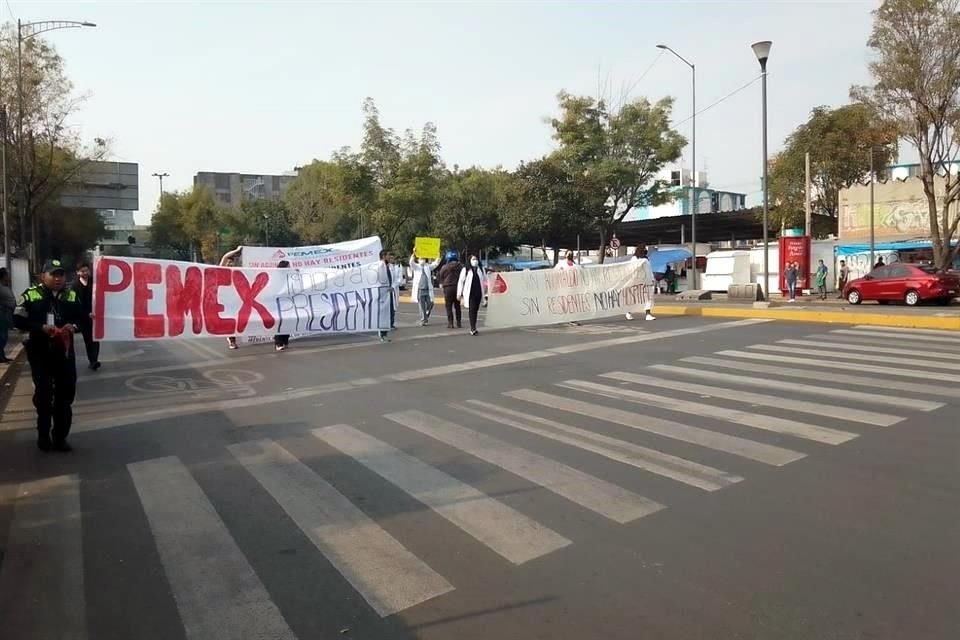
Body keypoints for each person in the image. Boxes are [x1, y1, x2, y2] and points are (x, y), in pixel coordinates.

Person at [14, 259, 83, 452]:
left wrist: (74, 326)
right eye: (53, 274)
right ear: (43, 276)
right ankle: (43, 435)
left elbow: (81, 318)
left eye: (61, 274)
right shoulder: (30, 295)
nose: (58, 278)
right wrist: (40, 328)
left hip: (64, 353)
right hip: (40, 352)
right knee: (43, 394)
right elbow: (18, 319)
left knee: (65, 394)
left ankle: (60, 437)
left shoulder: (71, 295)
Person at [71, 263, 100, 370]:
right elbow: (75, 304)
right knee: (88, 339)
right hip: (83, 317)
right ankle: (92, 360)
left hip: (96, 316)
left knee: (96, 339)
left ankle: (95, 359)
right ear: (78, 272)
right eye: (83, 271)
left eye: (87, 270)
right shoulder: (75, 286)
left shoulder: (95, 282)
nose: (85, 273)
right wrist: (86, 313)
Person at [220, 247, 242, 350]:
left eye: (232, 263)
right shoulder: (221, 270)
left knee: (236, 320)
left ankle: (232, 339)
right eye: (229, 263)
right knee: (229, 320)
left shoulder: (236, 272)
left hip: (234, 299)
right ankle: (232, 341)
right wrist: (237, 250)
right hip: (224, 300)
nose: (230, 265)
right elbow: (225, 256)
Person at [457, 255, 486, 336]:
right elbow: (461, 282)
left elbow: (485, 279)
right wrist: (459, 293)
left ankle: (474, 327)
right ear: (469, 260)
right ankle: (473, 328)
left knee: (475, 310)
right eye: (473, 259)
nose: (475, 261)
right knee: (472, 310)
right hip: (470, 293)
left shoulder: (481, 269)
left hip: (479, 293)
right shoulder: (465, 270)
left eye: (476, 259)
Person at [626, 246, 656, 321]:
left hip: (646, 281)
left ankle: (648, 314)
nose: (646, 251)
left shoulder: (646, 259)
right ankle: (628, 312)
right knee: (635, 298)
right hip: (637, 281)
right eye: (644, 249)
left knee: (648, 298)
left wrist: (652, 279)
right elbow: (632, 269)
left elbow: (649, 270)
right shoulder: (635, 258)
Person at [410, 249, 439, 326]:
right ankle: (424, 320)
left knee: (431, 303)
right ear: (418, 260)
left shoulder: (428, 267)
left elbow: (436, 263)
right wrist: (413, 253)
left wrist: (438, 255)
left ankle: (425, 315)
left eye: (423, 258)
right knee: (421, 305)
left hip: (428, 289)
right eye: (420, 258)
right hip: (420, 290)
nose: (422, 260)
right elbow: (411, 263)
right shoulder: (416, 267)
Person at [438, 251, 463, 329]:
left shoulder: (444, 267)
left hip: (448, 288)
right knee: (457, 306)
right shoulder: (460, 267)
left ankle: (450, 323)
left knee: (448, 306)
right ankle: (458, 323)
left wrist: (442, 283)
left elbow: (440, 276)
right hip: (457, 287)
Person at [376, 250, 395, 343]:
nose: (389, 257)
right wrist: (386, 288)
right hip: (383, 293)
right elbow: (380, 279)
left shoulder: (386, 266)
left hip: (388, 293)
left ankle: (385, 334)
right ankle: (382, 334)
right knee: (383, 314)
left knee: (388, 313)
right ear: (383, 256)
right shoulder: (380, 266)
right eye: (388, 255)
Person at [274, 260, 291, 351]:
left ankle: (285, 341)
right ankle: (278, 343)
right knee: (281, 323)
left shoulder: (290, 277)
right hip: (279, 304)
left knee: (288, 322)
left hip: (288, 303)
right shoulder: (276, 278)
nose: (290, 268)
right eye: (288, 267)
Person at [0, 267, 15, 363]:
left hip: (6, 316)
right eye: (7, 275)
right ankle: (0, 357)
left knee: (4, 337)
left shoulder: (4, 286)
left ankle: (2, 356)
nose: (8, 277)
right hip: (1, 315)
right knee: (2, 337)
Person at [389, 254, 404, 330]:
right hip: (387, 290)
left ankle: (391, 323)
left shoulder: (397, 267)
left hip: (394, 289)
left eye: (392, 258)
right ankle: (388, 323)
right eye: (390, 258)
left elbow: (399, 280)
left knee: (393, 307)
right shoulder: (386, 267)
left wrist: (394, 286)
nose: (391, 259)